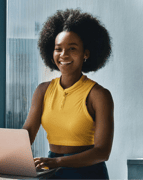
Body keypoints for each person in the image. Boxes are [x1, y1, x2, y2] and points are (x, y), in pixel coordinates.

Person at [22, 8, 114, 180]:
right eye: (58, 49)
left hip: (88, 173)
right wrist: (2, 153)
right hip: (52, 171)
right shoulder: (43, 91)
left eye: (72, 48)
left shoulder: (99, 95)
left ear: (86, 53)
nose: (63, 55)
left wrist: (57, 162)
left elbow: (102, 152)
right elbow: (26, 134)